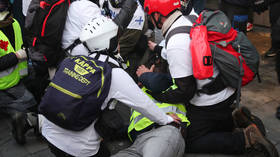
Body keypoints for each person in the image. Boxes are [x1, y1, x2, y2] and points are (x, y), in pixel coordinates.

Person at [143, 0, 279, 156]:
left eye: (149, 15)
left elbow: (185, 91)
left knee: (188, 141)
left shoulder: (175, 42)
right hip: (227, 90)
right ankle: (233, 119)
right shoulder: (190, 18)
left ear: (157, 14)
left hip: (210, 103)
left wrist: (155, 95)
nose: (149, 19)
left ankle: (245, 139)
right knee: (206, 121)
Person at [40, 11, 181, 157]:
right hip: (79, 149)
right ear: (111, 42)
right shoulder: (113, 73)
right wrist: (167, 119)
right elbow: (143, 104)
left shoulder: (71, 61)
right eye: (117, 39)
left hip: (49, 135)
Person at [0, 0, 37, 145]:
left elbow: (23, 42)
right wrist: (16, 56)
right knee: (28, 103)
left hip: (20, 75)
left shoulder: (14, 23)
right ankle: (17, 117)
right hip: (4, 84)